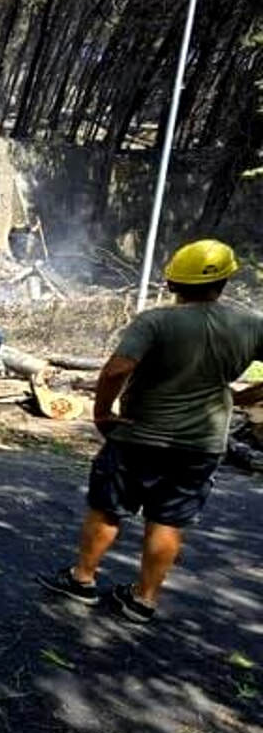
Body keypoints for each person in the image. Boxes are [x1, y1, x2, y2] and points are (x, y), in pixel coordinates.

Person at [37, 239, 263, 623]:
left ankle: (83, 579)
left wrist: (102, 412)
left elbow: (115, 370)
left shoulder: (156, 321)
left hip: (139, 436)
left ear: (173, 283)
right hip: (202, 444)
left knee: (108, 508)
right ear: (225, 281)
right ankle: (143, 599)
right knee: (169, 520)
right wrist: (243, 397)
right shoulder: (251, 325)